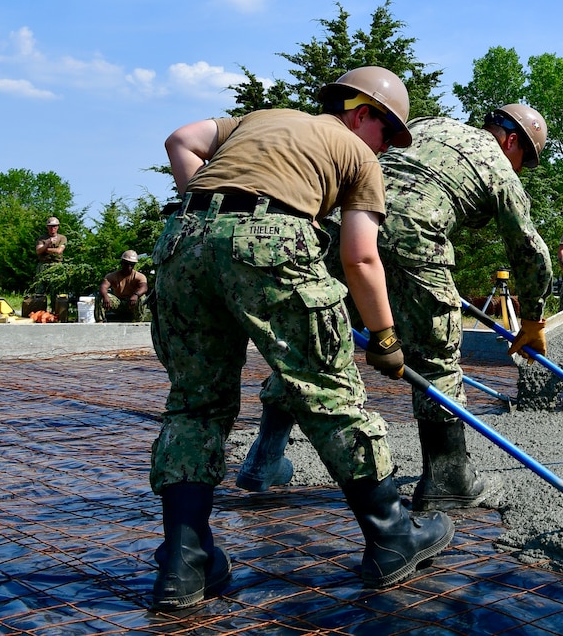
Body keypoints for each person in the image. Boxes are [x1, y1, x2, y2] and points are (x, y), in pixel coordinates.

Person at [147, 66, 451, 612]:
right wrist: (384, 337)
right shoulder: (358, 156)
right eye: (388, 134)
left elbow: (181, 140)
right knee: (329, 395)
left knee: (194, 405)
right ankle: (392, 536)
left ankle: (184, 562)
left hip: (181, 241)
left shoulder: (258, 120)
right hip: (272, 242)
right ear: (362, 113)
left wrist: (215, 213)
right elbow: (360, 257)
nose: (387, 149)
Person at [238, 104, 553, 517]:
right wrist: (532, 319)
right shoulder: (497, 162)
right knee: (436, 354)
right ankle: (448, 479)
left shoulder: (424, 125)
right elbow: (529, 251)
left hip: (345, 226)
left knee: (310, 341)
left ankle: (263, 460)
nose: (520, 168)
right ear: (512, 141)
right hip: (415, 237)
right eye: (523, 161)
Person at [99, 250, 149, 323]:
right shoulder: (112, 276)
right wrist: (105, 296)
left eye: (131, 264)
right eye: (126, 264)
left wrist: (136, 295)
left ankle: (138, 321)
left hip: (132, 303)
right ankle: (100, 321)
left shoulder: (139, 276)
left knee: (142, 297)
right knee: (100, 296)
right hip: (118, 302)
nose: (129, 266)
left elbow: (144, 287)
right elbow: (103, 287)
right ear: (122, 263)